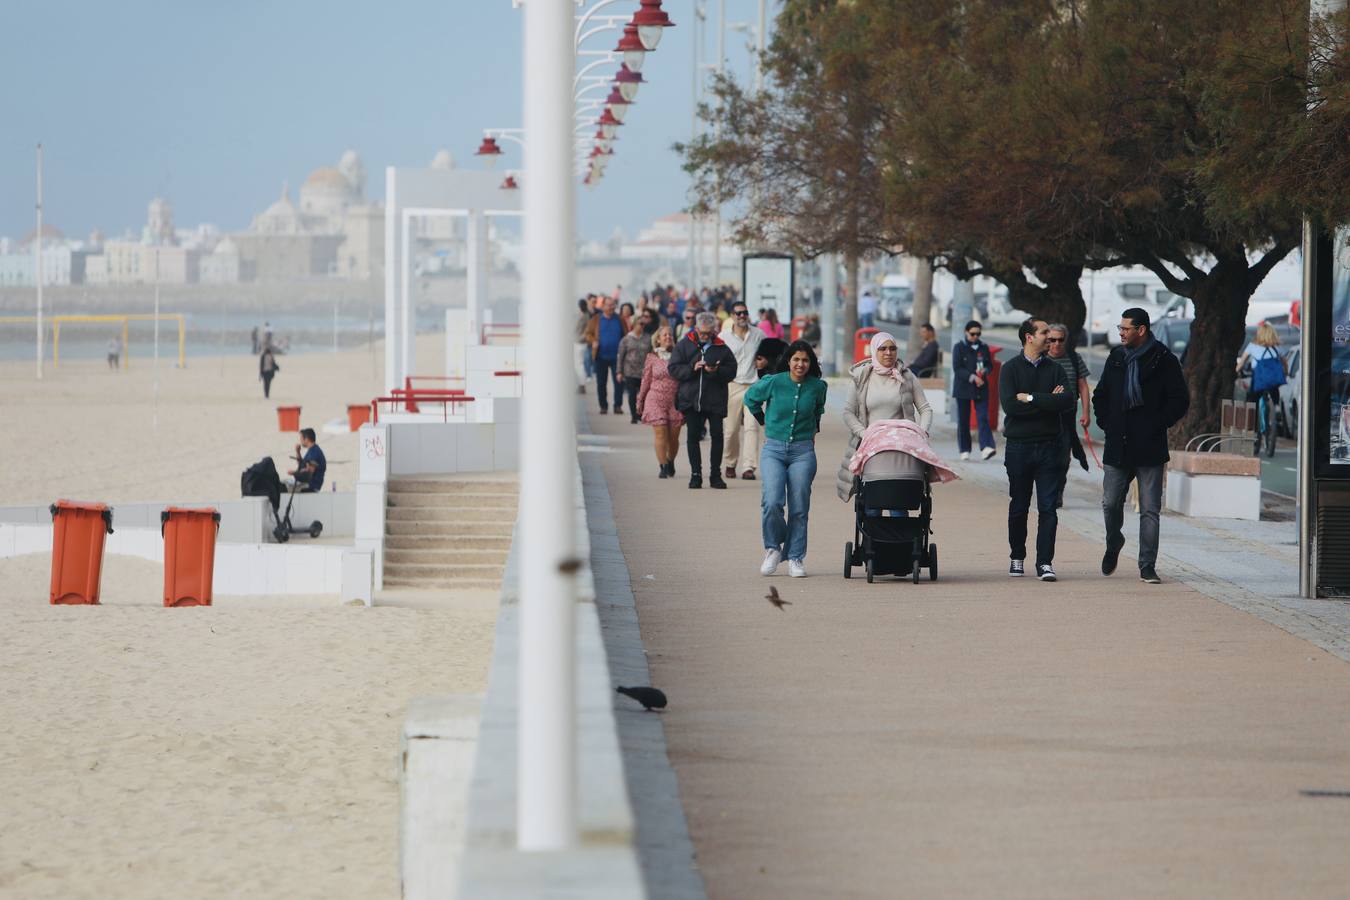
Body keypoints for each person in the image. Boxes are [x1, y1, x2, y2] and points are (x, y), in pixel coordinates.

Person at [1093, 307, 1189, 584]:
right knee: (1110, 504)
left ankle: (1147, 564)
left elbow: (1179, 400)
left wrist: (1157, 423)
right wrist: (1107, 423)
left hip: (1149, 445)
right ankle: (1114, 543)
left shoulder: (1164, 360)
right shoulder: (1116, 357)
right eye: (1119, 328)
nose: (1121, 333)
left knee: (1149, 509)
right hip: (1118, 443)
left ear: (1141, 330)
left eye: (1126, 329)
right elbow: (1101, 395)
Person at [745, 340, 829, 578]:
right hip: (773, 449)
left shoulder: (818, 387)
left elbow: (818, 410)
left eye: (805, 360)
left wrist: (813, 431)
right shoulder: (774, 382)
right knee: (772, 501)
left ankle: (795, 557)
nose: (800, 364)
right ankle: (773, 548)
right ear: (788, 361)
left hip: (803, 452)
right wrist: (764, 422)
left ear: (810, 363)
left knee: (799, 507)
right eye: (796, 359)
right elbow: (750, 398)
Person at [999, 318, 1074, 581]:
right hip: (1019, 448)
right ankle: (1017, 557)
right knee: (1019, 506)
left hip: (1050, 448)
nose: (1050, 338)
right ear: (1029, 337)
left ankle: (1044, 563)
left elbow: (1066, 400)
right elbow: (1010, 407)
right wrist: (1047, 402)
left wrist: (1030, 397)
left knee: (1048, 508)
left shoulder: (1055, 369)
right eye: (1044, 333)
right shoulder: (1010, 369)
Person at [835, 331, 934, 504]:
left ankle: (900, 529)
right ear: (874, 351)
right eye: (883, 349)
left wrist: (921, 432)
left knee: (899, 500)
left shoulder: (907, 377)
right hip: (871, 443)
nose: (888, 353)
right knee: (873, 499)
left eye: (892, 348)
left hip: (903, 444)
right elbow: (848, 412)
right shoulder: (861, 377)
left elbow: (925, 409)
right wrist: (863, 433)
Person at [666, 311, 737, 488]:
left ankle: (715, 475)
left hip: (715, 399)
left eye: (708, 332)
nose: (705, 336)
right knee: (692, 437)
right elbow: (673, 368)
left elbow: (732, 371)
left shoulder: (722, 347)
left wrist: (716, 372)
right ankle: (695, 474)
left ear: (714, 330)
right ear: (696, 328)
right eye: (702, 332)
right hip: (691, 399)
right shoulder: (684, 345)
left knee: (717, 435)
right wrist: (692, 367)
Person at [1046, 323, 1093, 508]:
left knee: (1063, 458)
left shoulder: (1074, 358)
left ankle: (1058, 492)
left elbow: (1083, 386)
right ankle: (1047, 490)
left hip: (1067, 416)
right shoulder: (1041, 359)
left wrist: (1086, 413)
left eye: (1060, 340)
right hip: (1046, 416)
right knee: (1047, 457)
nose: (1056, 344)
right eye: (1052, 340)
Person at [721, 300, 765, 480]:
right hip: (733, 385)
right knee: (731, 430)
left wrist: (765, 363)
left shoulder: (758, 334)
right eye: (738, 313)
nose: (742, 316)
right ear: (732, 316)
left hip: (753, 386)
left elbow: (770, 353)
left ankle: (749, 467)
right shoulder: (723, 337)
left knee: (751, 427)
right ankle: (730, 463)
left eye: (744, 312)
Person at [637, 326, 685, 478]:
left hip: (674, 400)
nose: (668, 337)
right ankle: (663, 466)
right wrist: (640, 401)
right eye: (664, 335)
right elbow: (646, 380)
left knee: (673, 438)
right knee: (660, 433)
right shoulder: (652, 357)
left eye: (670, 335)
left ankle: (670, 460)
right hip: (655, 399)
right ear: (658, 339)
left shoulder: (680, 356)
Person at [1236, 321, 1288, 452]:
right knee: (1274, 393)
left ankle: (1252, 431)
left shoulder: (1252, 346)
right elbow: (1284, 363)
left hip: (1258, 381)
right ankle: (1275, 410)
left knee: (1251, 403)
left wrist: (1236, 371)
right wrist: (1285, 373)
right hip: (1273, 382)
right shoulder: (1277, 347)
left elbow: (1241, 363)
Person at [952, 320, 997, 460]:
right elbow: (957, 368)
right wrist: (972, 377)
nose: (975, 337)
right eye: (972, 334)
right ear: (966, 332)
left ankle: (987, 447)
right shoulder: (959, 347)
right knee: (963, 420)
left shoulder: (983, 347)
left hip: (981, 387)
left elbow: (990, 364)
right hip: (964, 387)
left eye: (978, 334)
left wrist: (986, 370)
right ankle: (964, 449)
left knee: (983, 417)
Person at [585, 296, 627, 414]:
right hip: (600, 356)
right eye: (609, 305)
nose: (611, 307)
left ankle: (617, 406)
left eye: (613, 304)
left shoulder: (619, 319)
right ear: (603, 306)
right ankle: (603, 406)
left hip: (617, 357)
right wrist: (593, 341)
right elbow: (587, 334)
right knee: (601, 383)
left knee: (619, 383)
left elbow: (626, 334)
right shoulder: (596, 319)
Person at [616, 318, 651, 424]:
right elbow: (620, 356)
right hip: (630, 371)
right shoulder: (626, 339)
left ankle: (641, 414)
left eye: (643, 324)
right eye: (640, 324)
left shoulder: (648, 338)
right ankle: (634, 416)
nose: (642, 326)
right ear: (634, 325)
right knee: (632, 394)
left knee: (643, 395)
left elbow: (651, 354)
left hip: (644, 372)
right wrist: (619, 372)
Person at [288, 428, 327, 493]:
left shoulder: (315, 452)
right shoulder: (312, 450)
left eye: (301, 439)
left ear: (306, 439)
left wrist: (294, 473)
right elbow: (301, 465)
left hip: (311, 486)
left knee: (285, 489)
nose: (300, 441)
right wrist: (298, 452)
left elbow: (309, 472)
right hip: (309, 485)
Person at [573, 298, 594, 394]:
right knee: (579, 364)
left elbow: (583, 330)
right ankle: (581, 384)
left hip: (580, 343)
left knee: (579, 364)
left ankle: (582, 384)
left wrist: (580, 338)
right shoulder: (586, 315)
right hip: (580, 342)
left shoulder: (584, 316)